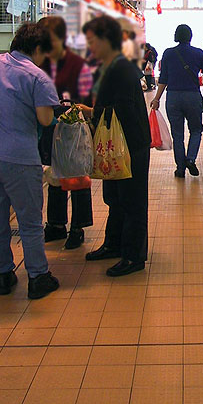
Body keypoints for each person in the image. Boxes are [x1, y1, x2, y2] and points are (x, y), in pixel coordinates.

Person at [0, 23, 61, 299]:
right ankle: (38, 277)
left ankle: (3, 276)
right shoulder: (38, 77)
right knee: (30, 222)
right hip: (19, 160)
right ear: (37, 49)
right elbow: (46, 119)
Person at [78, 16, 150, 276]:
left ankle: (133, 256)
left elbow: (123, 109)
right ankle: (114, 244)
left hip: (129, 144)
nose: (89, 46)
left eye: (92, 41)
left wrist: (90, 112)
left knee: (132, 201)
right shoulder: (112, 65)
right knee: (115, 197)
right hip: (116, 144)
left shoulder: (121, 67)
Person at [38, 16, 94, 250]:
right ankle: (56, 224)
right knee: (54, 177)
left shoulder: (77, 63)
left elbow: (88, 95)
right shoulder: (41, 63)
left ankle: (77, 227)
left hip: (74, 128)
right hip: (49, 127)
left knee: (77, 176)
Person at [150, 24, 203, 178]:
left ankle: (180, 168)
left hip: (173, 97)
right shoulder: (198, 53)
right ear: (190, 37)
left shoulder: (168, 53)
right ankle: (191, 159)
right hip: (192, 97)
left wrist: (157, 98)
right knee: (196, 130)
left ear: (176, 36)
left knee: (177, 134)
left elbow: (163, 78)